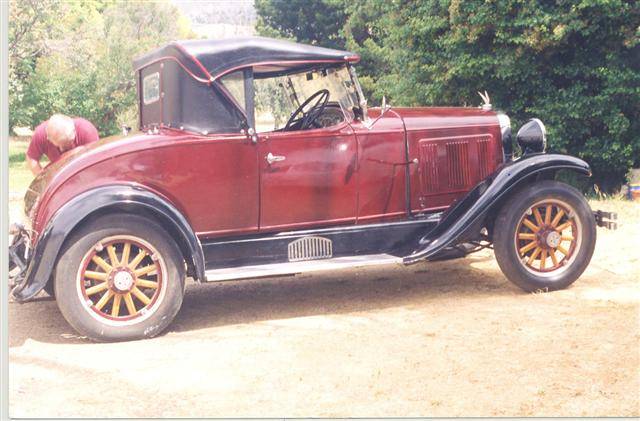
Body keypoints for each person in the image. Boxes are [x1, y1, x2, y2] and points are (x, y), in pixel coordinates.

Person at [26, 114, 100, 176]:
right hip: (59, 173)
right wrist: (44, 180)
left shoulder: (86, 131)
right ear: (48, 137)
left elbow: (95, 162)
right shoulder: (40, 134)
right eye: (57, 146)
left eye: (65, 145)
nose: (61, 150)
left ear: (74, 132)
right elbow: (32, 158)